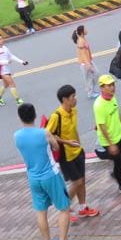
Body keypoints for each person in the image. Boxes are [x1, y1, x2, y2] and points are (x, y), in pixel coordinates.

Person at [15, 102, 84, 240]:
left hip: (33, 177)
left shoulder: (17, 136)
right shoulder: (44, 133)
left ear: (20, 118)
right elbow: (56, 147)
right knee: (64, 207)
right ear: (35, 115)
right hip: (50, 175)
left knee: (41, 211)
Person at [47, 85, 99, 222]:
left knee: (82, 181)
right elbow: (48, 135)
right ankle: (64, 208)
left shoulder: (74, 111)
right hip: (66, 155)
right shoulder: (56, 116)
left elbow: (74, 130)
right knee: (77, 182)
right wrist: (67, 142)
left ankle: (83, 207)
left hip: (78, 151)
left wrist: (79, 146)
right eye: (72, 97)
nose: (75, 99)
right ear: (65, 99)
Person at [94, 74, 121, 195]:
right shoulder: (99, 105)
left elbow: (117, 111)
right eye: (109, 85)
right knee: (118, 160)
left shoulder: (112, 98)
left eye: (113, 84)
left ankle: (115, 172)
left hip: (119, 134)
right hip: (109, 140)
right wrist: (110, 144)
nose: (112, 87)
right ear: (102, 87)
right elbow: (101, 126)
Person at [0, 34, 28, 106]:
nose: (1, 40)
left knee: (6, 84)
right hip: (2, 70)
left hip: (7, 69)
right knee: (12, 83)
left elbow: (11, 56)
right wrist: (6, 62)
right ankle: (18, 100)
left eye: (2, 38)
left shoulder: (5, 48)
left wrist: (22, 62)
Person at [73, 25, 99, 100]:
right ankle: (90, 93)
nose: (87, 30)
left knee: (96, 73)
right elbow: (83, 53)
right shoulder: (81, 41)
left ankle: (92, 90)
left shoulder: (82, 38)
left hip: (88, 61)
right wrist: (87, 64)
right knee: (89, 78)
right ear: (82, 32)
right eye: (85, 29)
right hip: (85, 63)